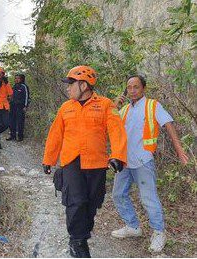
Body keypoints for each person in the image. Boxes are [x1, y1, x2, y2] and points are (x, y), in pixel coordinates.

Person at [42, 65, 127, 258]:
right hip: (72, 161)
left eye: (71, 84)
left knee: (92, 201)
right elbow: (55, 135)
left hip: (96, 162)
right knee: (76, 201)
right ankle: (77, 241)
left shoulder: (105, 104)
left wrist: (118, 155)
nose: (67, 88)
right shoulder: (65, 107)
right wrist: (49, 159)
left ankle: (83, 232)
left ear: (84, 85)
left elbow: (116, 130)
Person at [111, 75, 189, 253]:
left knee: (149, 199)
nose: (132, 90)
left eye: (136, 87)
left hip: (143, 161)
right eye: (129, 87)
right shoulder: (123, 110)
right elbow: (109, 126)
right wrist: (114, 107)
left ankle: (159, 232)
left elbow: (168, 124)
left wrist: (179, 149)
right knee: (118, 194)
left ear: (143, 88)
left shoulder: (152, 105)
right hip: (124, 162)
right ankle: (133, 227)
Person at [7, 73, 30, 141]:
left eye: (18, 78)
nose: (16, 79)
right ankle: (12, 136)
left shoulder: (24, 86)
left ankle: (20, 137)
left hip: (20, 107)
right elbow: (11, 96)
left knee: (20, 122)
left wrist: (25, 106)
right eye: (15, 78)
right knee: (11, 121)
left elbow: (27, 97)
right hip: (13, 106)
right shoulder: (14, 86)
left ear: (21, 79)